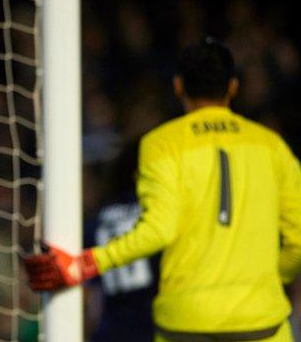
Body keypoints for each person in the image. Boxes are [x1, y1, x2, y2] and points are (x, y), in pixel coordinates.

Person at [25, 38, 301, 341]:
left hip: (186, 324)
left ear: (179, 86)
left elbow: (159, 229)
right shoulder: (272, 147)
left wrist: (85, 263)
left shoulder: (161, 145)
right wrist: (272, 277)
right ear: (233, 87)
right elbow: (298, 238)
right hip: (262, 323)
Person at [84, 140, 159, 342]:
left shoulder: (98, 219)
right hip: (154, 329)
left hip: (110, 331)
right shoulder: (157, 218)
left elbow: (92, 298)